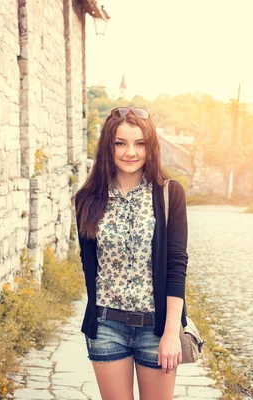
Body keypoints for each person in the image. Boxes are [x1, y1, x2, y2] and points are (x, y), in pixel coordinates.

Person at [73, 106, 189, 399]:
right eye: (120, 143)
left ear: (150, 147)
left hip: (156, 328)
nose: (130, 152)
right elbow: (90, 264)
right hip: (106, 326)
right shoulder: (87, 199)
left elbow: (176, 264)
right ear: (107, 146)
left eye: (140, 143)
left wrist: (171, 332)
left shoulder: (169, 194)